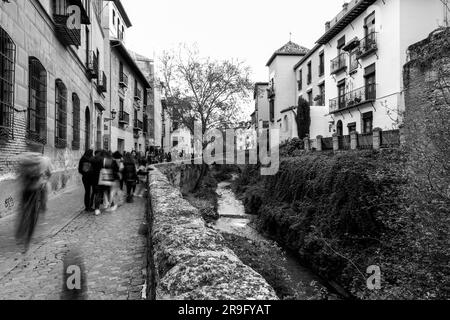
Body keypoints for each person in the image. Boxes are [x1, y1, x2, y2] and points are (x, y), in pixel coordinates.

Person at [15, 153, 52, 252]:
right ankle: (27, 242)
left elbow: (18, 175)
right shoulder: (45, 160)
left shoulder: (25, 160)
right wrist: (44, 179)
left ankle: (20, 232)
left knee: (23, 211)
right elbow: (49, 174)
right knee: (33, 216)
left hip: (26, 190)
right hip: (36, 190)